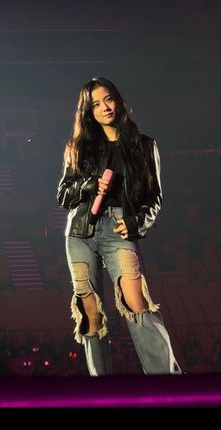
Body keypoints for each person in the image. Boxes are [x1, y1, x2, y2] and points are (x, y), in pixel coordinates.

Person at [57, 76, 181, 376]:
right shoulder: (78, 148)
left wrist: (136, 222)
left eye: (108, 99)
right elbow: (63, 194)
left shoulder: (144, 145)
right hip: (79, 233)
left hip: (118, 229)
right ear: (89, 113)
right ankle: (101, 385)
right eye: (96, 104)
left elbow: (154, 198)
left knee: (136, 302)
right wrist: (88, 184)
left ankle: (167, 379)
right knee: (90, 314)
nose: (104, 107)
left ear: (118, 100)